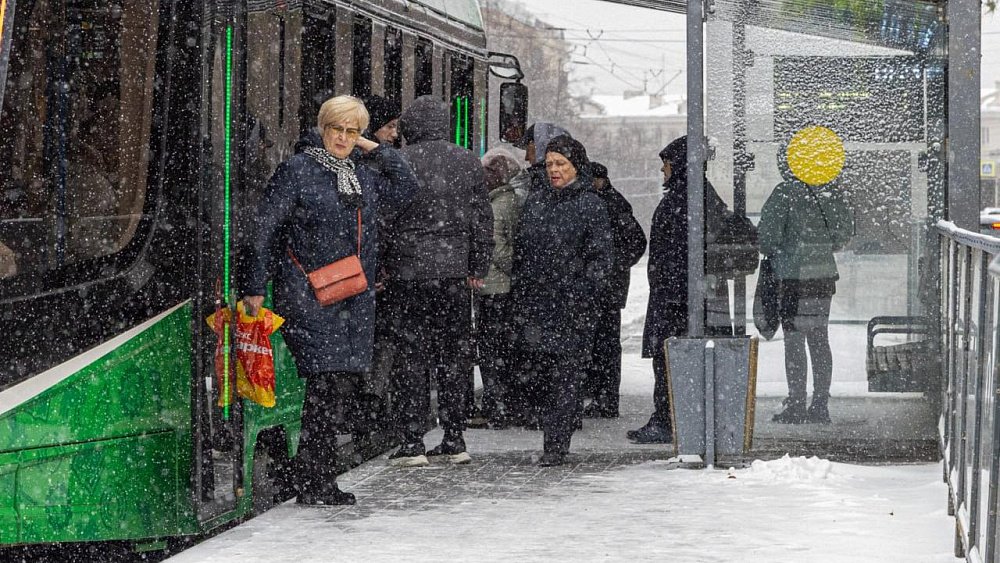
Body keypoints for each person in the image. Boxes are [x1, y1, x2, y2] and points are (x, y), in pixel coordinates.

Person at [242, 95, 418, 506]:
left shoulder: (361, 173)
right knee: (327, 386)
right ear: (322, 129)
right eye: (336, 129)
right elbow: (264, 228)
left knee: (334, 388)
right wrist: (253, 284)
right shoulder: (298, 170)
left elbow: (408, 186)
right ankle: (317, 482)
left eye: (351, 131)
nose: (342, 138)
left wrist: (374, 147)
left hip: (352, 297)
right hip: (307, 295)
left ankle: (306, 477)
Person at [383, 95, 494, 467]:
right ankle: (454, 436)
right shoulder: (467, 161)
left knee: (410, 356)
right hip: (453, 275)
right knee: (455, 356)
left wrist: (385, 265)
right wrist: (477, 265)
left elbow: (386, 219)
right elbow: (482, 218)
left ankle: (412, 440)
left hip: (408, 273)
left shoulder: (399, 160)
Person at [510, 135, 612, 466]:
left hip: (573, 308)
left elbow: (601, 258)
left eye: (561, 164)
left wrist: (583, 294)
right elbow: (522, 251)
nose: (554, 170)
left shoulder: (591, 205)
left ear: (576, 167)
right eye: (550, 164)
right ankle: (551, 435)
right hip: (537, 304)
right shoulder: (537, 202)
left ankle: (556, 444)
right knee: (542, 374)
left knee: (566, 377)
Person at [628, 136, 733, 444]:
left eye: (667, 165)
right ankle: (677, 416)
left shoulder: (685, 199)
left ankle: (667, 419)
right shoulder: (698, 196)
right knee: (677, 359)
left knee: (671, 359)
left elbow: (679, 253)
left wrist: (670, 289)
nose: (663, 170)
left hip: (679, 298)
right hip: (687, 295)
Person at [758, 128, 853, 424]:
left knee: (795, 340)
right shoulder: (832, 192)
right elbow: (842, 236)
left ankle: (797, 403)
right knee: (819, 340)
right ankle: (820, 405)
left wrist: (784, 247)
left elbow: (767, 240)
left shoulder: (785, 193)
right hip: (823, 279)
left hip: (793, 280)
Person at [582, 162, 647, 419]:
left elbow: (636, 241)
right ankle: (602, 396)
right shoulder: (608, 201)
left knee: (605, 345)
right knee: (602, 344)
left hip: (607, 289)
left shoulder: (611, 203)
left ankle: (606, 398)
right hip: (606, 287)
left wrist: (611, 266)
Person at [476, 148, 523, 428]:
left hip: (495, 287)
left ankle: (496, 405)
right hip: (498, 287)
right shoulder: (507, 201)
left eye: (489, 171)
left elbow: (499, 247)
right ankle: (499, 403)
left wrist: (507, 269)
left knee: (492, 349)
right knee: (498, 349)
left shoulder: (499, 204)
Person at [509, 122, 570, 199]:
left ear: (541, 147)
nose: (526, 158)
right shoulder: (569, 183)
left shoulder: (539, 184)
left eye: (528, 150)